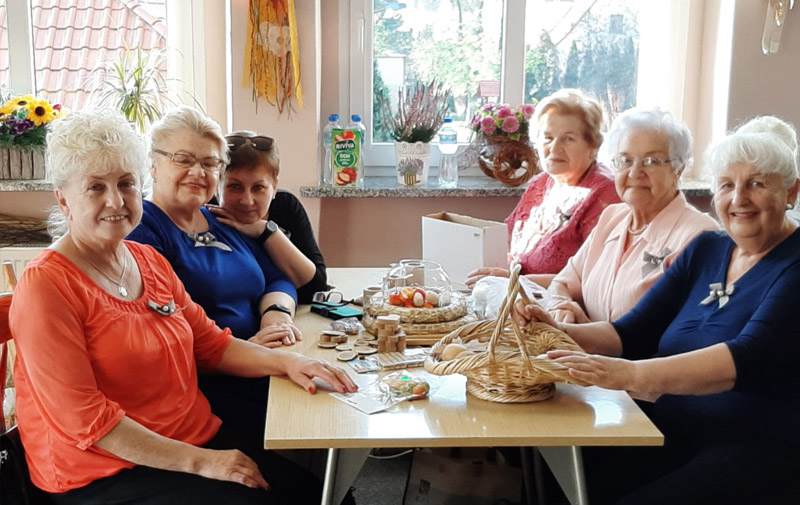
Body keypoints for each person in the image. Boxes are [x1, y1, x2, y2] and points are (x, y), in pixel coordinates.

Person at [10, 108, 357, 505]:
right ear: (63, 200)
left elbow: (212, 344)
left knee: (316, 492)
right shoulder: (47, 285)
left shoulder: (147, 260)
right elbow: (86, 422)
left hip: (186, 435)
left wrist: (290, 362)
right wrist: (203, 462)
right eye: (95, 187)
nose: (116, 200)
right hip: (102, 469)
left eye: (125, 183)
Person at [514, 115, 800, 505]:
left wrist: (627, 373)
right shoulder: (707, 249)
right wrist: (555, 330)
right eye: (727, 185)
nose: (739, 199)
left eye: (757, 184)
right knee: (553, 472)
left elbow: (748, 357)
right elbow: (630, 332)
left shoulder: (793, 262)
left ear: (790, 191)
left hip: (756, 446)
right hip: (673, 428)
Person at [126, 107, 297, 443]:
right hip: (205, 388)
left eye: (209, 163)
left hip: (257, 364)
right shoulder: (144, 231)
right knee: (320, 417)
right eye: (183, 159)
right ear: (153, 164)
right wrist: (241, 352)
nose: (198, 172)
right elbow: (158, 340)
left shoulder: (219, 219)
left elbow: (278, 278)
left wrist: (275, 316)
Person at [547, 107, 719, 323]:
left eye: (651, 161)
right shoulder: (612, 217)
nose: (635, 172)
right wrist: (562, 307)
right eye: (625, 160)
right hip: (576, 343)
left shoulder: (700, 236)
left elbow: (679, 329)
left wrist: (581, 328)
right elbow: (562, 283)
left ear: (678, 169)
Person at [466, 88, 619, 288]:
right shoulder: (541, 182)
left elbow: (594, 279)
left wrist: (515, 281)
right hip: (518, 295)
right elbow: (505, 241)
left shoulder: (604, 193)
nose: (554, 148)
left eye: (568, 139)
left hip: (560, 303)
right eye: (547, 137)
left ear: (593, 146)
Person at [205, 131, 329, 304]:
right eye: (234, 186)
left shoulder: (286, 207)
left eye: (258, 187)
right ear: (217, 186)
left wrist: (266, 231)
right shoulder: (203, 215)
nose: (247, 201)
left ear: (274, 187)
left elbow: (315, 287)